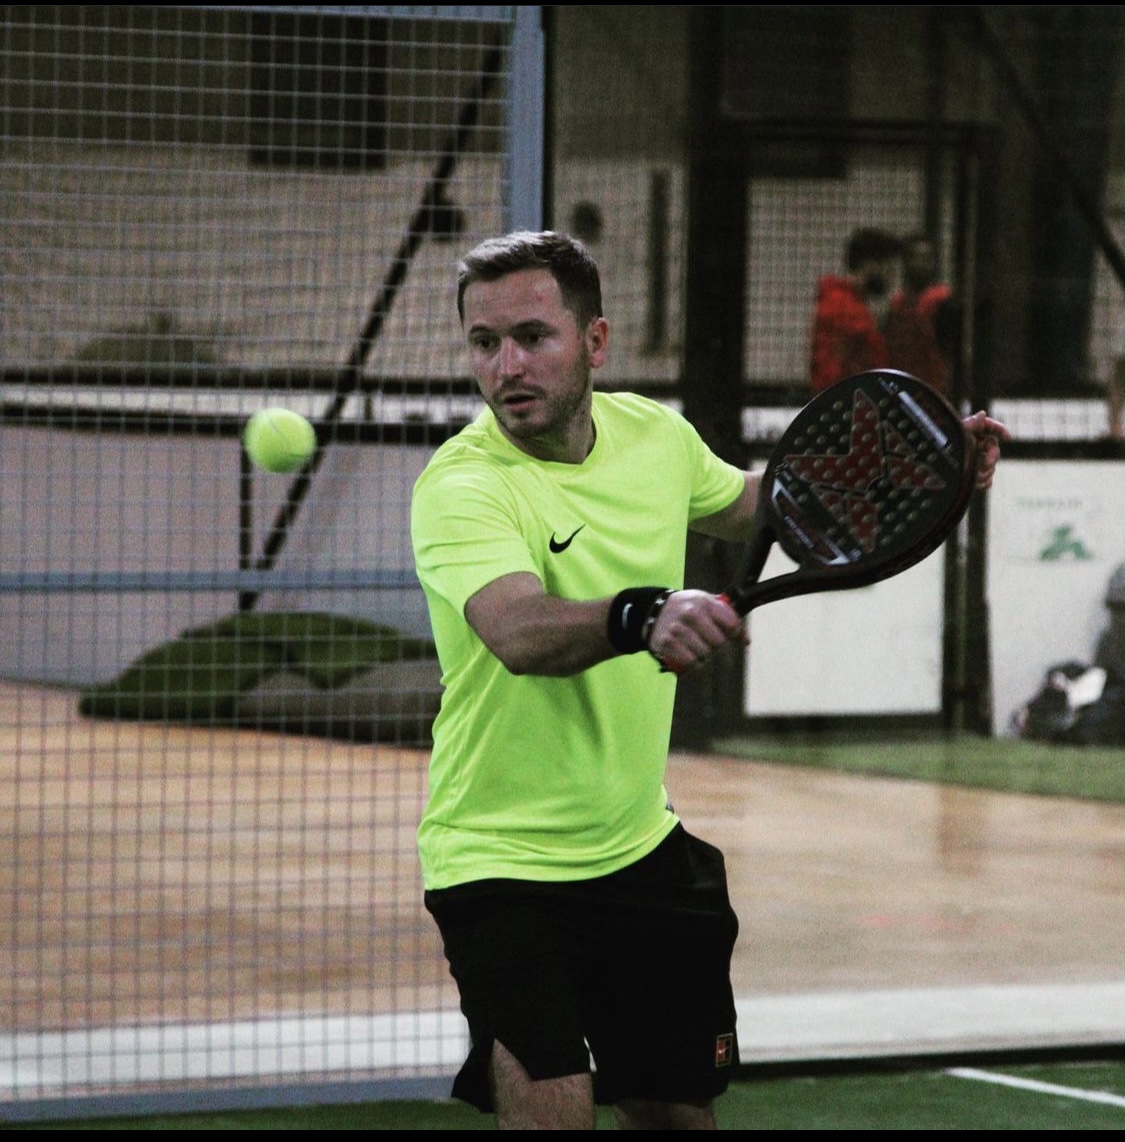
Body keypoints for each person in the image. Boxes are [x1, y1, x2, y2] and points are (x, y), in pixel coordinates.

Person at [409, 230, 1010, 1131]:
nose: (506, 366)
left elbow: (773, 504)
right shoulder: (462, 484)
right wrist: (640, 615)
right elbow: (517, 631)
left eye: (532, 337)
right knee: (554, 1113)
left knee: (677, 1117)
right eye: (483, 343)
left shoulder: (653, 435)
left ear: (594, 341)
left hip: (636, 846)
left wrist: (922, 461)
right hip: (498, 862)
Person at [808, 226, 901, 393]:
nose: (891, 278)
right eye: (889, 269)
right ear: (870, 265)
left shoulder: (844, 303)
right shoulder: (846, 309)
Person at [884, 233, 958, 397]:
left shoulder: (942, 301)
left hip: (933, 389)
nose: (921, 264)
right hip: (900, 387)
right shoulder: (897, 304)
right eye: (915, 257)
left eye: (926, 258)